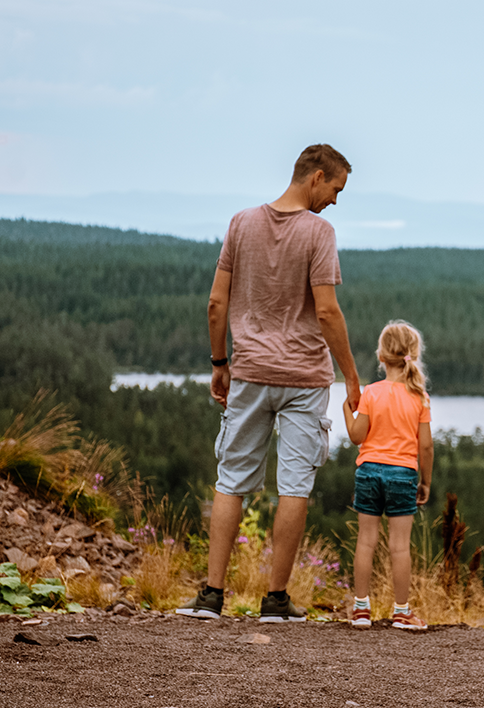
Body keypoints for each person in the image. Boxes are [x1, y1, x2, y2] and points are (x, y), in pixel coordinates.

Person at [177, 144, 361, 623]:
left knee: (231, 480)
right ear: (316, 176)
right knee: (294, 487)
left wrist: (220, 362)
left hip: (250, 371)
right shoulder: (319, 233)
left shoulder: (241, 224)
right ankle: (275, 601)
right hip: (305, 378)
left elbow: (216, 303)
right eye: (336, 189)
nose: (335, 200)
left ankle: (211, 596)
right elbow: (327, 311)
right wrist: (351, 374)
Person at [341, 320, 434, 631]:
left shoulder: (371, 392)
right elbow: (426, 446)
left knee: (366, 542)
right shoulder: (420, 397)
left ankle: (361, 609)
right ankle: (402, 612)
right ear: (413, 355)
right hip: (403, 475)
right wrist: (425, 482)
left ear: (381, 357)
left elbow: (357, 436)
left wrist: (347, 409)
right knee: (400, 546)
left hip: (368, 472)